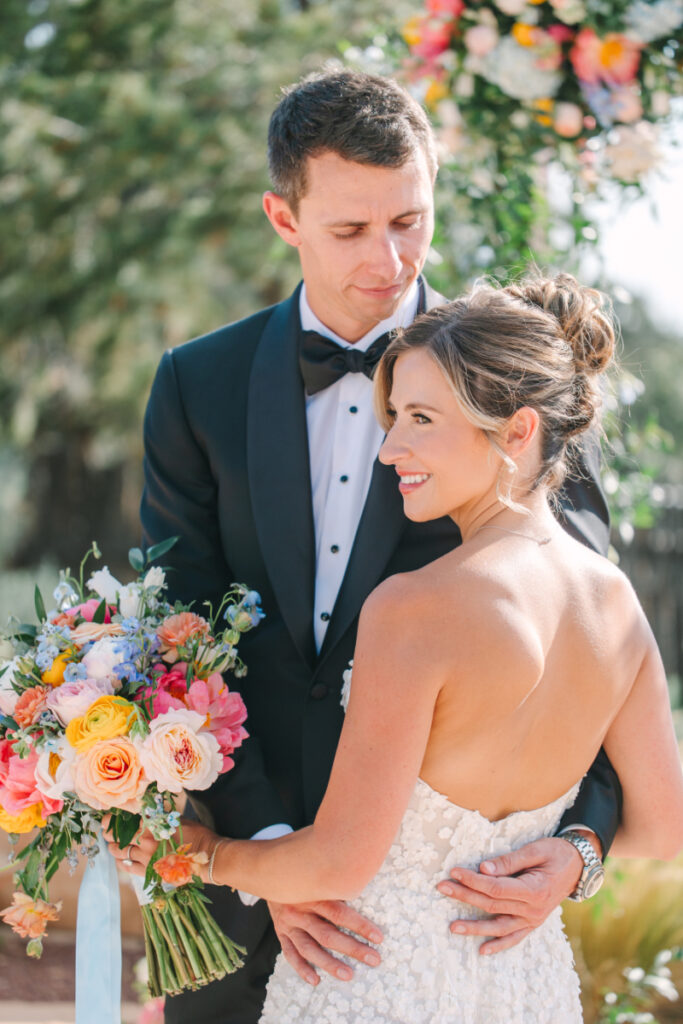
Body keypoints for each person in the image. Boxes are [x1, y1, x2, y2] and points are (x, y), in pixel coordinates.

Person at [131, 69, 621, 1023]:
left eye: (410, 220)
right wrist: (264, 850)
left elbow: (588, 629)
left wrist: (580, 851)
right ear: (284, 217)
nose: (390, 261)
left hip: (450, 916)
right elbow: (179, 627)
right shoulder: (197, 383)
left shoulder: (514, 369)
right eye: (352, 230)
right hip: (235, 897)